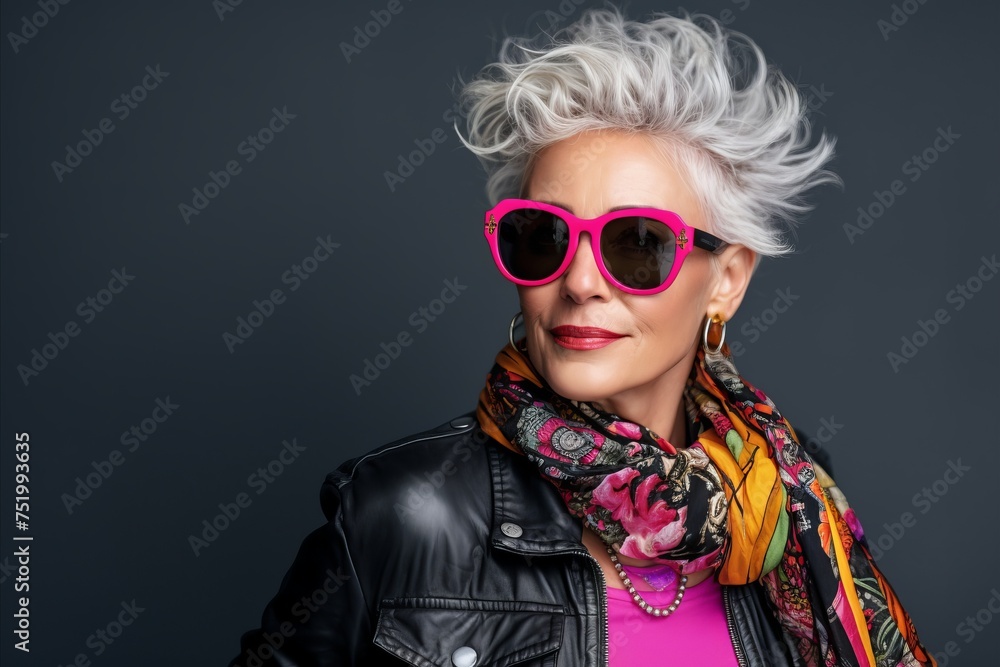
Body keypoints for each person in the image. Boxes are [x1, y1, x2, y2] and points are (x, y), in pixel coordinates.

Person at [230, 8, 935, 666]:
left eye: (636, 245)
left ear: (726, 279)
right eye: (543, 239)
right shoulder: (404, 511)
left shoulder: (791, 504)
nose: (580, 281)